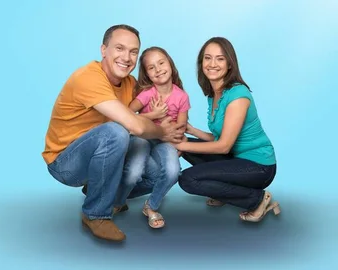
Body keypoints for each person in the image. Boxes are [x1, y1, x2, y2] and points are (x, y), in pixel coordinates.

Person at [42, 24, 184, 242]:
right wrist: (163, 132)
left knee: (160, 172)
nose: (126, 57)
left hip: (100, 158)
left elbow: (140, 119)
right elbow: (134, 125)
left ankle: (105, 192)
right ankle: (95, 214)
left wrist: (176, 138)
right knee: (116, 132)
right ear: (103, 50)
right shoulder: (88, 77)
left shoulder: (130, 84)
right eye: (119, 48)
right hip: (65, 164)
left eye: (133, 51)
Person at [174, 37, 280, 222]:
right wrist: (191, 131)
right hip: (236, 158)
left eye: (220, 58)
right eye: (207, 58)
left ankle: (258, 200)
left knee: (187, 179)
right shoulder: (214, 94)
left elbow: (223, 146)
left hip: (259, 167)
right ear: (201, 63)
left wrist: (183, 145)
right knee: (187, 145)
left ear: (230, 64)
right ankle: (224, 192)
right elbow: (219, 137)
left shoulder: (238, 95)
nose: (212, 64)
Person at [113, 47, 191, 229]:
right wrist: (153, 114)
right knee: (134, 172)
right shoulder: (148, 93)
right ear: (147, 74)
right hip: (142, 137)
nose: (158, 69)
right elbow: (127, 115)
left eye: (161, 63)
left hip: (165, 141)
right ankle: (118, 201)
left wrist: (165, 122)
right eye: (151, 67)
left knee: (173, 172)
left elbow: (180, 128)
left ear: (170, 64)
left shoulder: (182, 97)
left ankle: (151, 206)